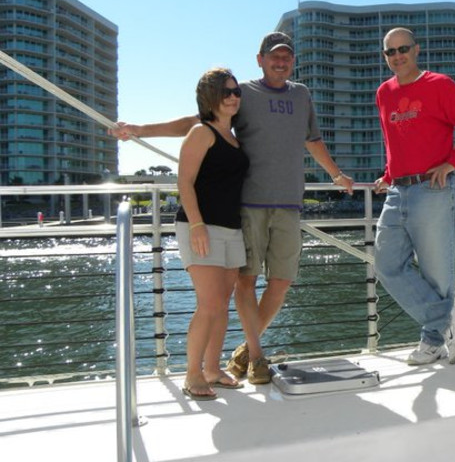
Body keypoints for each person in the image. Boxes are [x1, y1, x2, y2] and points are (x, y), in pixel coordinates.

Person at [110, 32, 354, 384]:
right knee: (245, 282)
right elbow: (195, 122)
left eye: (287, 56)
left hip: (289, 203)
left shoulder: (301, 95)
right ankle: (254, 356)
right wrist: (139, 130)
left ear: (293, 61)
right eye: (274, 56)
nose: (281, 62)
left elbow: (312, 140)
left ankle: (239, 353)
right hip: (248, 204)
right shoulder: (244, 94)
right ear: (260, 59)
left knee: (281, 282)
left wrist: (336, 175)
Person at [373, 28, 455, 365]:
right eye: (390, 52)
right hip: (397, 190)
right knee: (386, 263)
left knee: (437, 273)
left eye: (402, 49)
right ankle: (444, 318)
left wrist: (452, 163)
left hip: (434, 190)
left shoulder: (440, 85)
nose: (397, 56)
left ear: (416, 50)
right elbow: (396, 142)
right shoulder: (384, 92)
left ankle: (433, 340)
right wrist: (389, 173)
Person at [176, 68, 249, 400]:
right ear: (210, 97)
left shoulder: (234, 136)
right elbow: (184, 182)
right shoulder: (200, 132)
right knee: (208, 304)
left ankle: (212, 369)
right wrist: (196, 225)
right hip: (201, 227)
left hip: (232, 228)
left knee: (221, 305)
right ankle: (192, 375)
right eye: (225, 92)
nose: (233, 96)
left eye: (235, 91)